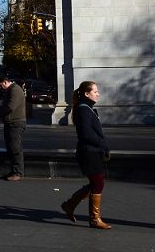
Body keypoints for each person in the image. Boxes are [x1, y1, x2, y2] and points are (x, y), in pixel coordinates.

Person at [61, 81, 111, 229]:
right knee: (98, 183)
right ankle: (94, 219)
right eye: (95, 91)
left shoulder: (87, 108)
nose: (98, 94)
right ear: (86, 94)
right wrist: (103, 144)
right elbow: (86, 134)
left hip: (92, 151)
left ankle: (70, 205)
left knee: (96, 183)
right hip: (88, 152)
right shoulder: (84, 110)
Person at [0, 73, 26, 181]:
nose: (1, 88)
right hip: (12, 122)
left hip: (15, 123)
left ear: (5, 82)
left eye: (1, 85)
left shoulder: (15, 90)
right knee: (11, 148)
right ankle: (15, 171)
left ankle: (18, 172)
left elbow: (10, 107)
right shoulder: (12, 89)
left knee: (15, 148)